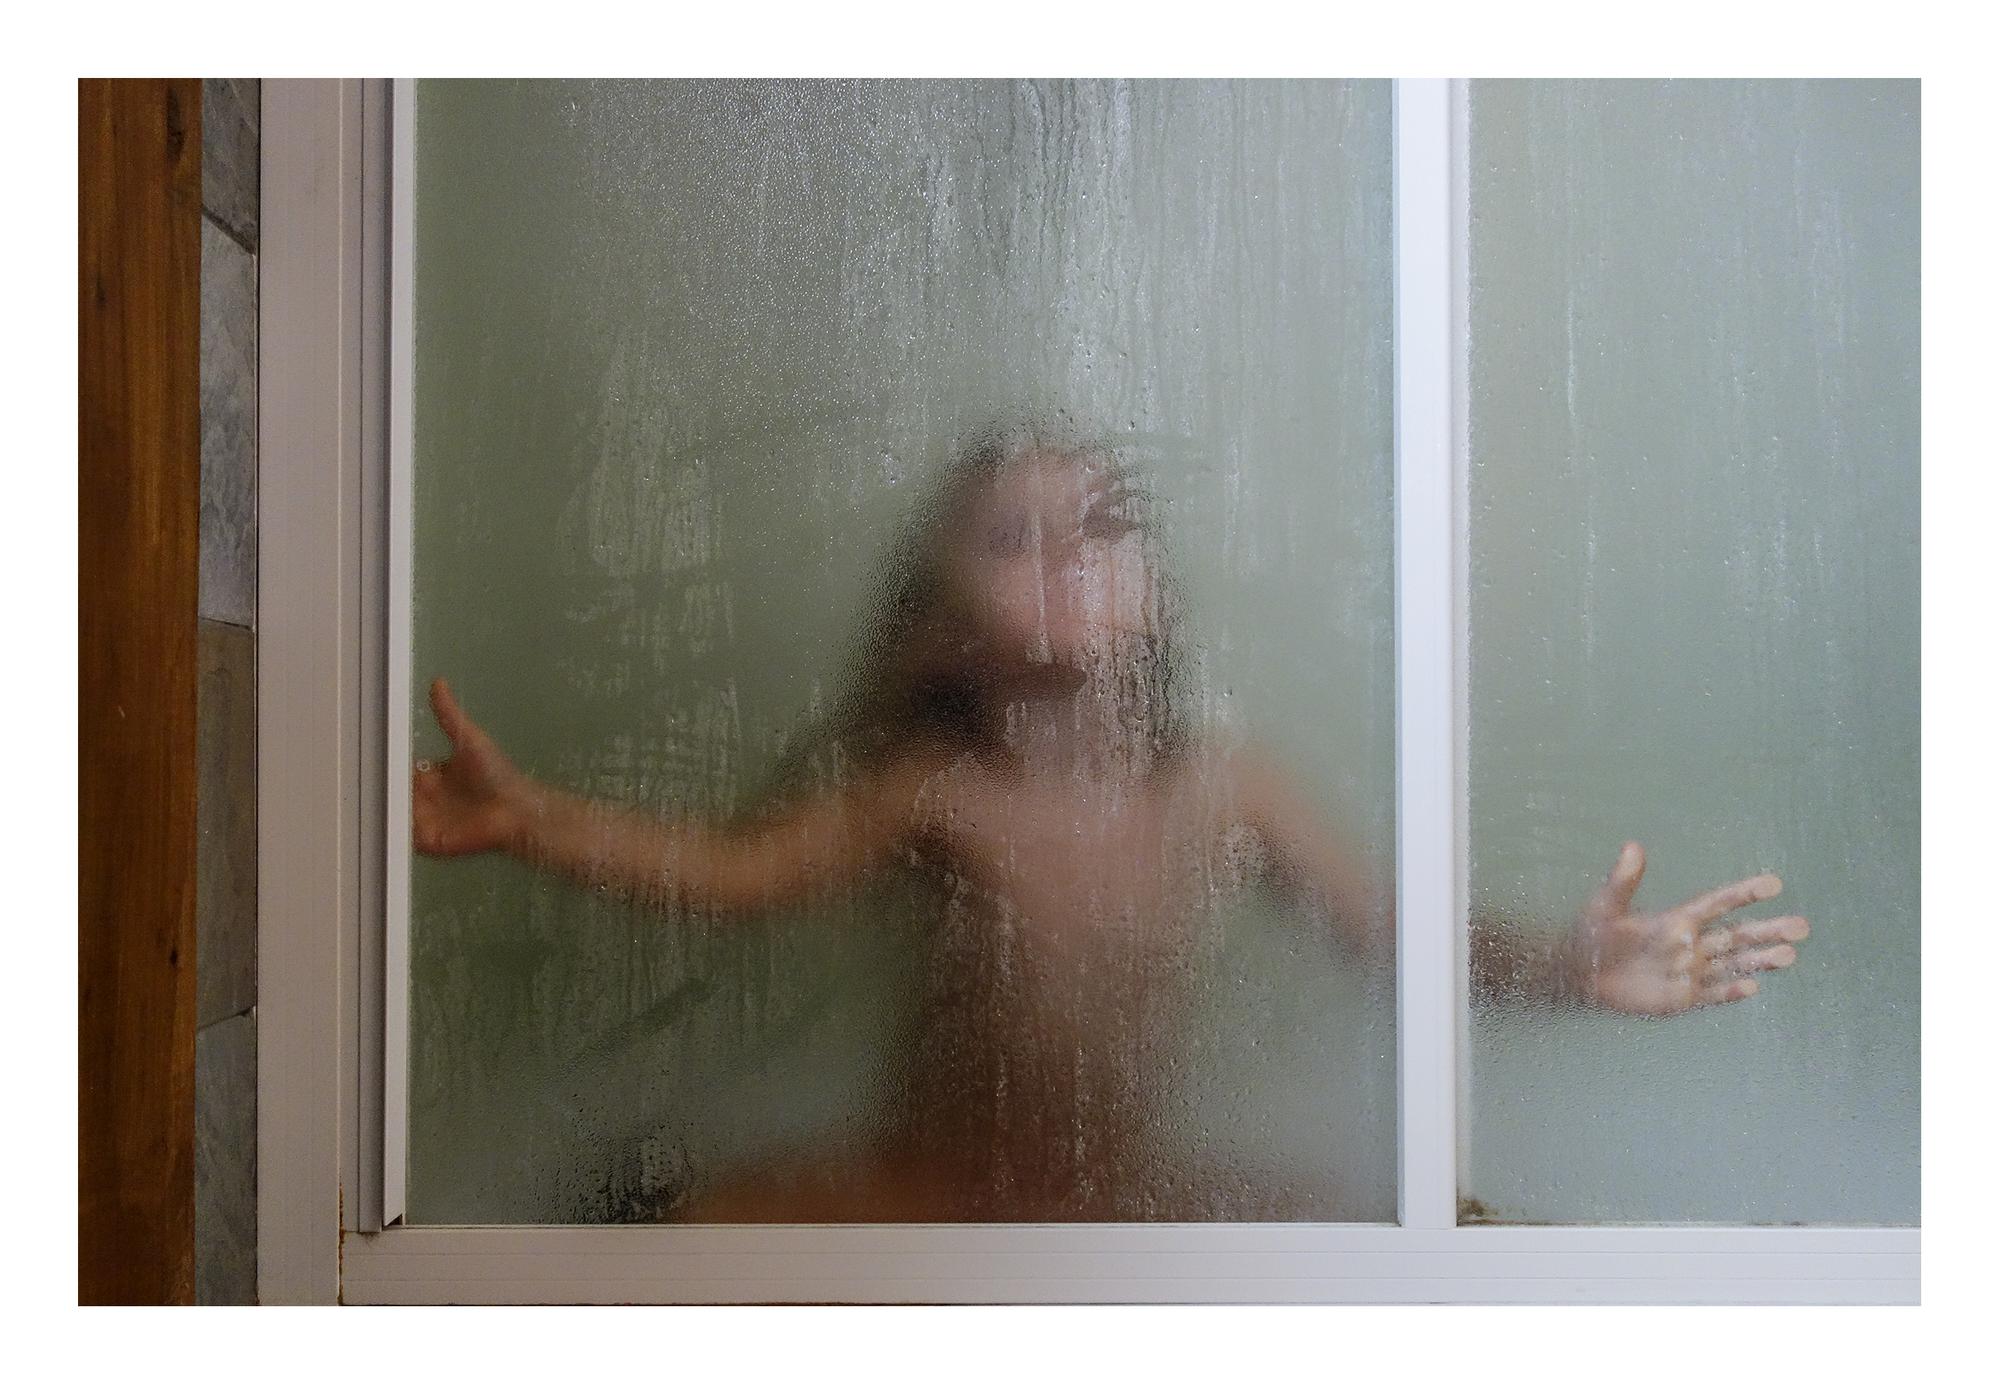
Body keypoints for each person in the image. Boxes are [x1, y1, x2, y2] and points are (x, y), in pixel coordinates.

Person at [413, 423, 1810, 1221]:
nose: (1070, 551)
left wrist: (1575, 964)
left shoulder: (1224, 789)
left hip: (1123, 1192)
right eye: (1013, 536)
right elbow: (735, 875)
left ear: (1155, 585)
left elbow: (1396, 941)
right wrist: (532, 817)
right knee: (668, 1245)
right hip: (934, 1189)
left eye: (1102, 519)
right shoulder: (942, 790)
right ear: (946, 632)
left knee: (1458, 1239)